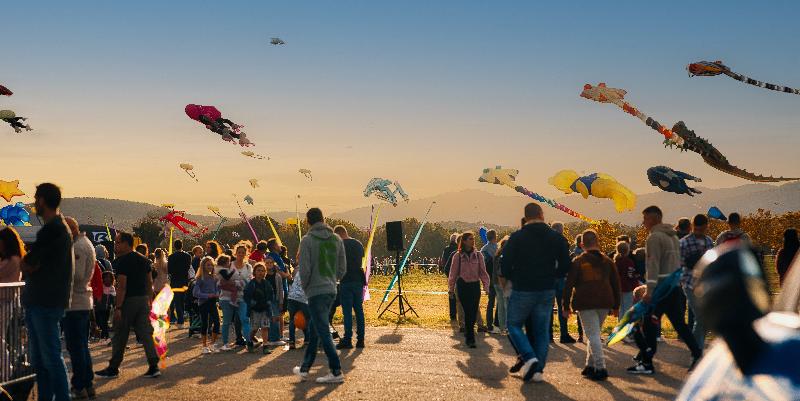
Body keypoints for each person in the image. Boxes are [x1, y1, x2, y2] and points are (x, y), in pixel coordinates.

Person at [627, 206, 703, 375]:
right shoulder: (673, 237)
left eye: (645, 219)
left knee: (648, 324)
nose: (643, 223)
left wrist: (649, 290)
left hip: (660, 289)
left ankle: (646, 363)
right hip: (674, 287)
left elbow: (652, 265)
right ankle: (697, 354)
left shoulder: (654, 238)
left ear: (653, 219)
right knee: (679, 325)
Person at [501, 203, 571, 383]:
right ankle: (538, 370)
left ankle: (529, 356)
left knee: (513, 324)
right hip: (547, 287)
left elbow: (505, 264)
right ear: (541, 214)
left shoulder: (517, 237)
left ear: (526, 215)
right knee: (542, 331)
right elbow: (565, 264)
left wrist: (512, 277)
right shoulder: (555, 237)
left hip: (524, 287)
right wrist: (554, 276)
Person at [20, 183, 74, 401]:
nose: (34, 202)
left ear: (42, 200)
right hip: (45, 301)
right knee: (42, 360)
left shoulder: (52, 230)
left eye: (35, 198)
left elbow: (29, 264)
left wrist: (28, 263)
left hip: (44, 302)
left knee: (50, 358)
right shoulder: (59, 229)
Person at [95, 231, 161, 379]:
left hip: (128, 300)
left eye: (118, 242)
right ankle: (153, 365)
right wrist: (150, 301)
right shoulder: (144, 260)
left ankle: (113, 367)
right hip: (143, 299)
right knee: (145, 333)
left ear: (126, 243)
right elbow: (149, 282)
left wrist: (118, 307)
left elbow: (122, 285)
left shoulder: (123, 261)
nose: (115, 246)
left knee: (120, 334)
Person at [293, 208, 347, 384]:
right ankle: (304, 369)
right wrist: (332, 280)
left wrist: (307, 287)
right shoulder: (337, 239)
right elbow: (342, 269)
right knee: (316, 329)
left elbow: (305, 269)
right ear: (324, 219)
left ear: (308, 221)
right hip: (331, 289)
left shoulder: (307, 240)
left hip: (315, 291)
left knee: (322, 330)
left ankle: (336, 370)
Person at [562, 229, 620, 381]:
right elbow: (616, 284)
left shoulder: (578, 262)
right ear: (598, 242)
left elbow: (569, 285)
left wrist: (566, 306)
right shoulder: (608, 261)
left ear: (582, 244)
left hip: (585, 301)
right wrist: (616, 305)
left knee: (592, 334)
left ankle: (601, 367)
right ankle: (589, 364)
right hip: (605, 301)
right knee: (594, 333)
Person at [61, 218, 97, 399]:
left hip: (75, 302)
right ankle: (87, 383)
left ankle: (79, 385)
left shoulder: (78, 247)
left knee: (76, 347)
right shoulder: (85, 243)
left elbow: (78, 274)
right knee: (82, 346)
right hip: (81, 301)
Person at [679, 213, 715, 353]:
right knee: (700, 316)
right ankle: (697, 349)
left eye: (702, 229)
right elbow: (679, 264)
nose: (699, 232)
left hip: (705, 284)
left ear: (706, 227)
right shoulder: (684, 242)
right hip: (689, 283)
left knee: (703, 318)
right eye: (697, 229)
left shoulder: (709, 242)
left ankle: (695, 347)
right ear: (693, 227)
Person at [448, 231, 490, 348]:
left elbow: (483, 272)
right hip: (463, 286)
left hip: (474, 286)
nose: (473, 240)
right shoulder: (457, 256)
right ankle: (470, 338)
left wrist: (486, 286)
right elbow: (453, 273)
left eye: (473, 239)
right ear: (465, 241)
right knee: (467, 311)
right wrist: (451, 288)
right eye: (470, 239)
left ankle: (469, 333)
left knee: (473, 311)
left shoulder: (478, 255)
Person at [334, 225, 366, 349]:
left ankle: (347, 339)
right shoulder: (358, 244)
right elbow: (360, 259)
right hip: (358, 280)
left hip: (346, 280)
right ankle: (361, 339)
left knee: (347, 312)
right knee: (359, 311)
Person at [216, 254, 252, 351]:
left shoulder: (248, 267)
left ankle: (249, 342)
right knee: (227, 322)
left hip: (242, 298)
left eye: (243, 252)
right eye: (239, 252)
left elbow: (249, 281)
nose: (241, 255)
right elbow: (220, 283)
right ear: (236, 253)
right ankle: (225, 343)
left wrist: (237, 283)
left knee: (245, 319)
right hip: (226, 298)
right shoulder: (227, 267)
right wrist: (235, 283)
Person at [550, 222, 575, 344]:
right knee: (562, 306)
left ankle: (548, 334)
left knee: (548, 307)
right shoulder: (563, 241)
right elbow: (565, 260)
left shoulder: (545, 240)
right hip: (560, 277)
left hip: (548, 277)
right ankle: (564, 334)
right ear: (561, 230)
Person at [244, 262, 274, 354]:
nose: (260, 272)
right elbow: (246, 295)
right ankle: (249, 341)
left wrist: (269, 302)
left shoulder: (267, 284)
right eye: (258, 270)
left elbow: (271, 294)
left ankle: (265, 346)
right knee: (255, 328)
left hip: (265, 309)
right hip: (255, 310)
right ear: (254, 272)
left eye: (262, 271)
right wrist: (252, 302)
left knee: (265, 327)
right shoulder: (251, 284)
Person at [193, 256, 220, 354]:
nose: (210, 266)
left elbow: (217, 288)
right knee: (205, 324)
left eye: (211, 265)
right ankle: (204, 346)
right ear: (203, 266)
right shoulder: (200, 278)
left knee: (217, 322)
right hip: (203, 303)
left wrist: (217, 293)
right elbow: (195, 293)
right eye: (208, 265)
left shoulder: (214, 277)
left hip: (212, 302)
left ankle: (212, 343)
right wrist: (207, 295)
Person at [614, 241, 640, 343]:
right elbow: (630, 275)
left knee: (621, 311)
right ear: (627, 250)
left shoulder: (616, 261)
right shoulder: (629, 262)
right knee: (627, 312)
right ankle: (624, 334)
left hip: (618, 288)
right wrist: (636, 277)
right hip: (627, 288)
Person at [168, 240, 192, 328]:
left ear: (174, 246)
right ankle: (181, 318)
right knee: (182, 299)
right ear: (182, 245)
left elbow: (169, 270)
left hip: (175, 280)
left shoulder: (171, 257)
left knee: (177, 300)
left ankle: (180, 320)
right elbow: (188, 267)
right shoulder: (188, 256)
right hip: (184, 280)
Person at [480, 229, 500, 334]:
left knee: (490, 302)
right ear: (495, 237)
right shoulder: (498, 248)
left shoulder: (483, 249)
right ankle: (497, 323)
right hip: (498, 278)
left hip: (488, 278)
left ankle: (489, 323)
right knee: (499, 302)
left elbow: (482, 266)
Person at [287, 269, 311, 350]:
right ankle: (308, 340)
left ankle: (291, 342)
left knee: (292, 319)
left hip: (292, 296)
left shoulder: (300, 269)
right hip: (303, 298)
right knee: (307, 318)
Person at [440, 233, 459, 321]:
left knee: (451, 294)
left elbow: (443, 261)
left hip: (450, 274)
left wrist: (447, 273)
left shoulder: (446, 249)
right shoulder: (458, 250)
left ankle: (452, 314)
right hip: (458, 274)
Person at [95, 272, 115, 340]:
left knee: (104, 322)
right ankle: (104, 335)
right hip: (99, 308)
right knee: (101, 322)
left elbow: (113, 299)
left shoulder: (112, 288)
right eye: (106, 277)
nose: (108, 279)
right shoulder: (101, 287)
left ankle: (105, 335)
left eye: (109, 277)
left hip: (107, 309)